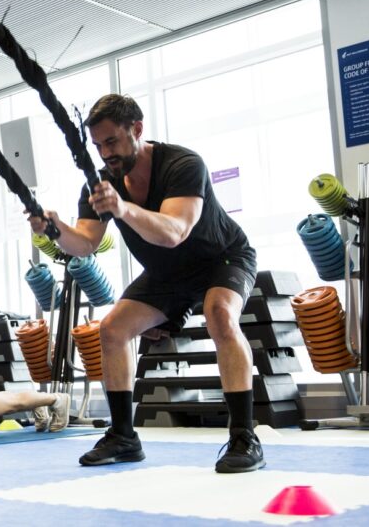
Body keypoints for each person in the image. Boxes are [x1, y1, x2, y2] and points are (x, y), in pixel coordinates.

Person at [27, 94, 262, 474]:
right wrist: (53, 229)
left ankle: (244, 437)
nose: (105, 154)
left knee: (219, 314)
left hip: (221, 258)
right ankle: (123, 436)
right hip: (167, 272)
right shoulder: (101, 182)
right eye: (99, 145)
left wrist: (122, 208)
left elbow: (174, 231)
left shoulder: (183, 164)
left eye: (112, 142)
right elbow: (84, 243)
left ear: (137, 130)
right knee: (113, 328)